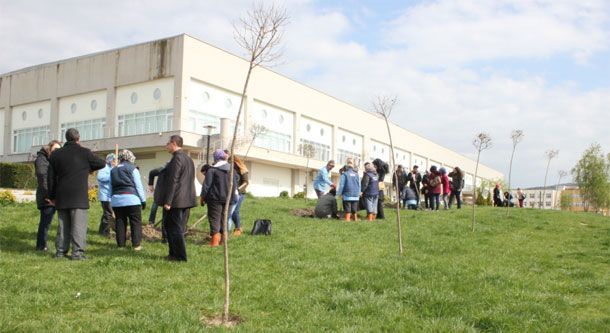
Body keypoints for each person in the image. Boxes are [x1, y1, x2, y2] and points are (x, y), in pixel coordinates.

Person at [48, 128, 105, 260]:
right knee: (78, 226)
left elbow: (50, 178)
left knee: (63, 226)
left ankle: (61, 252)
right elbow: (101, 163)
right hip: (78, 196)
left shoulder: (56, 154)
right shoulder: (85, 152)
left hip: (61, 195)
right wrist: (87, 168)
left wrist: (52, 197)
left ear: (66, 139)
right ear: (78, 138)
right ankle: (77, 253)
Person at [158, 135, 196, 261]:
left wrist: (168, 201)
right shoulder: (188, 159)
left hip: (176, 201)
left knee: (173, 228)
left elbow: (173, 180)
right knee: (176, 228)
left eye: (168, 143)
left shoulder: (177, 158)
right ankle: (174, 254)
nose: (166, 146)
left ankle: (179, 256)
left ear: (174, 143)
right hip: (186, 200)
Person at [110, 150, 146, 250]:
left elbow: (110, 186)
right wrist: (143, 200)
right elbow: (138, 186)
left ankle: (121, 246)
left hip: (116, 200)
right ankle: (136, 245)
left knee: (120, 222)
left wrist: (111, 200)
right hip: (132, 199)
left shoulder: (113, 170)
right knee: (135, 222)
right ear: (130, 158)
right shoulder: (133, 168)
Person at [201, 149, 238, 247]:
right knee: (224, 219)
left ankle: (214, 243)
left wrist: (202, 197)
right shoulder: (232, 170)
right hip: (230, 199)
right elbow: (236, 183)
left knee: (214, 219)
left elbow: (206, 185)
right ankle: (223, 241)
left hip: (215, 199)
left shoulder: (212, 170)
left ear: (216, 158)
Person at [34, 140, 61, 251]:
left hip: (52, 196)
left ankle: (42, 245)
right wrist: (48, 197)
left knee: (47, 222)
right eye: (55, 149)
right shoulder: (42, 158)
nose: (57, 152)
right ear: (49, 149)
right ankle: (41, 246)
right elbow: (42, 177)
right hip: (46, 196)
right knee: (45, 222)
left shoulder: (51, 159)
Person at [230, 155, 249, 236]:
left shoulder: (242, 169)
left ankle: (238, 228)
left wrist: (238, 190)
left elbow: (246, 182)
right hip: (232, 194)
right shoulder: (231, 169)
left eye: (230, 162)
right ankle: (237, 227)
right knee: (231, 212)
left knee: (235, 211)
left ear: (235, 162)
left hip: (240, 193)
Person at [97, 153, 116, 236]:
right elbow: (100, 177)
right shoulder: (104, 167)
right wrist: (111, 175)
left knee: (106, 213)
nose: (115, 162)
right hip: (105, 195)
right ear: (110, 160)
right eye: (113, 160)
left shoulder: (112, 168)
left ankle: (101, 231)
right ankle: (105, 232)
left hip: (110, 195)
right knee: (108, 214)